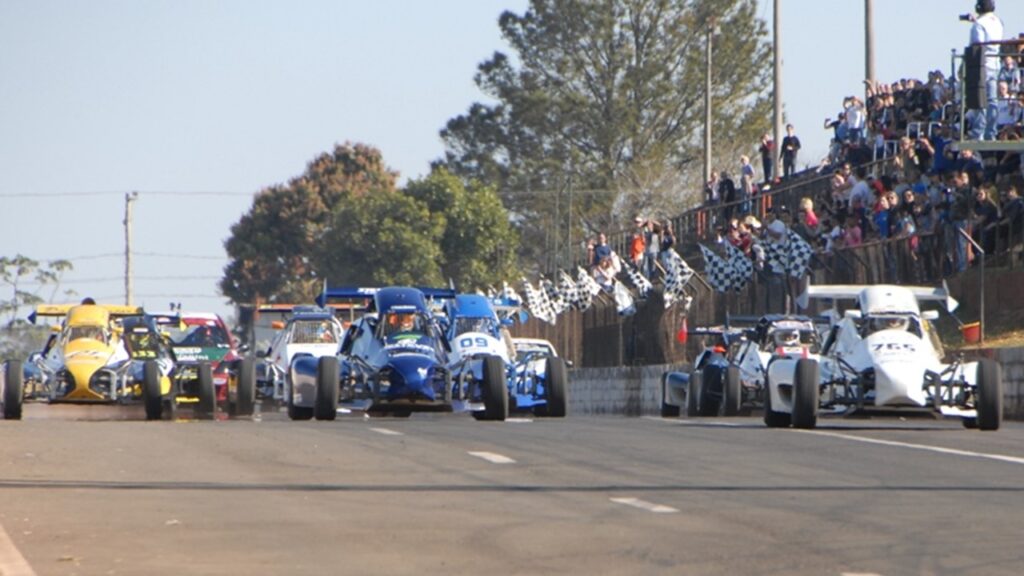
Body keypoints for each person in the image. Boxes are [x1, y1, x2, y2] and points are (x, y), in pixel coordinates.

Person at [967, 0, 1003, 140]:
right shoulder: (998, 21)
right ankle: (991, 132)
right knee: (992, 100)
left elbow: (978, 45)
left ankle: (979, 132)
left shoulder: (979, 24)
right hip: (995, 63)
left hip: (982, 65)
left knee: (980, 99)